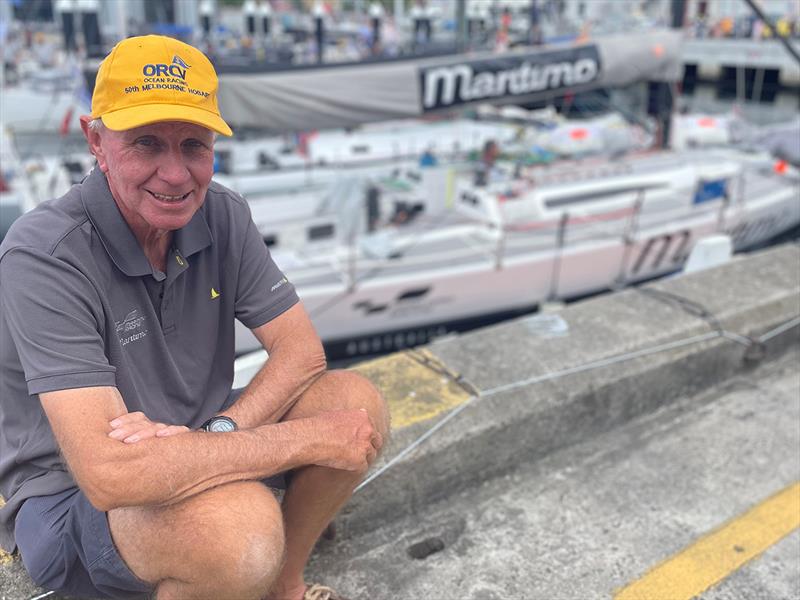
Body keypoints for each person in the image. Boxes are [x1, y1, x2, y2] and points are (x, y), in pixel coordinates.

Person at [0, 35, 388, 600]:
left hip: (195, 432)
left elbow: (303, 353)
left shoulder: (222, 214)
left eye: (195, 145)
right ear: (95, 140)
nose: (177, 174)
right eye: (147, 144)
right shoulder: (45, 255)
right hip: (72, 496)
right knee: (238, 529)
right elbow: (109, 475)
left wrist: (216, 433)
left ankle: (283, 585)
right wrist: (308, 441)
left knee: (355, 401)